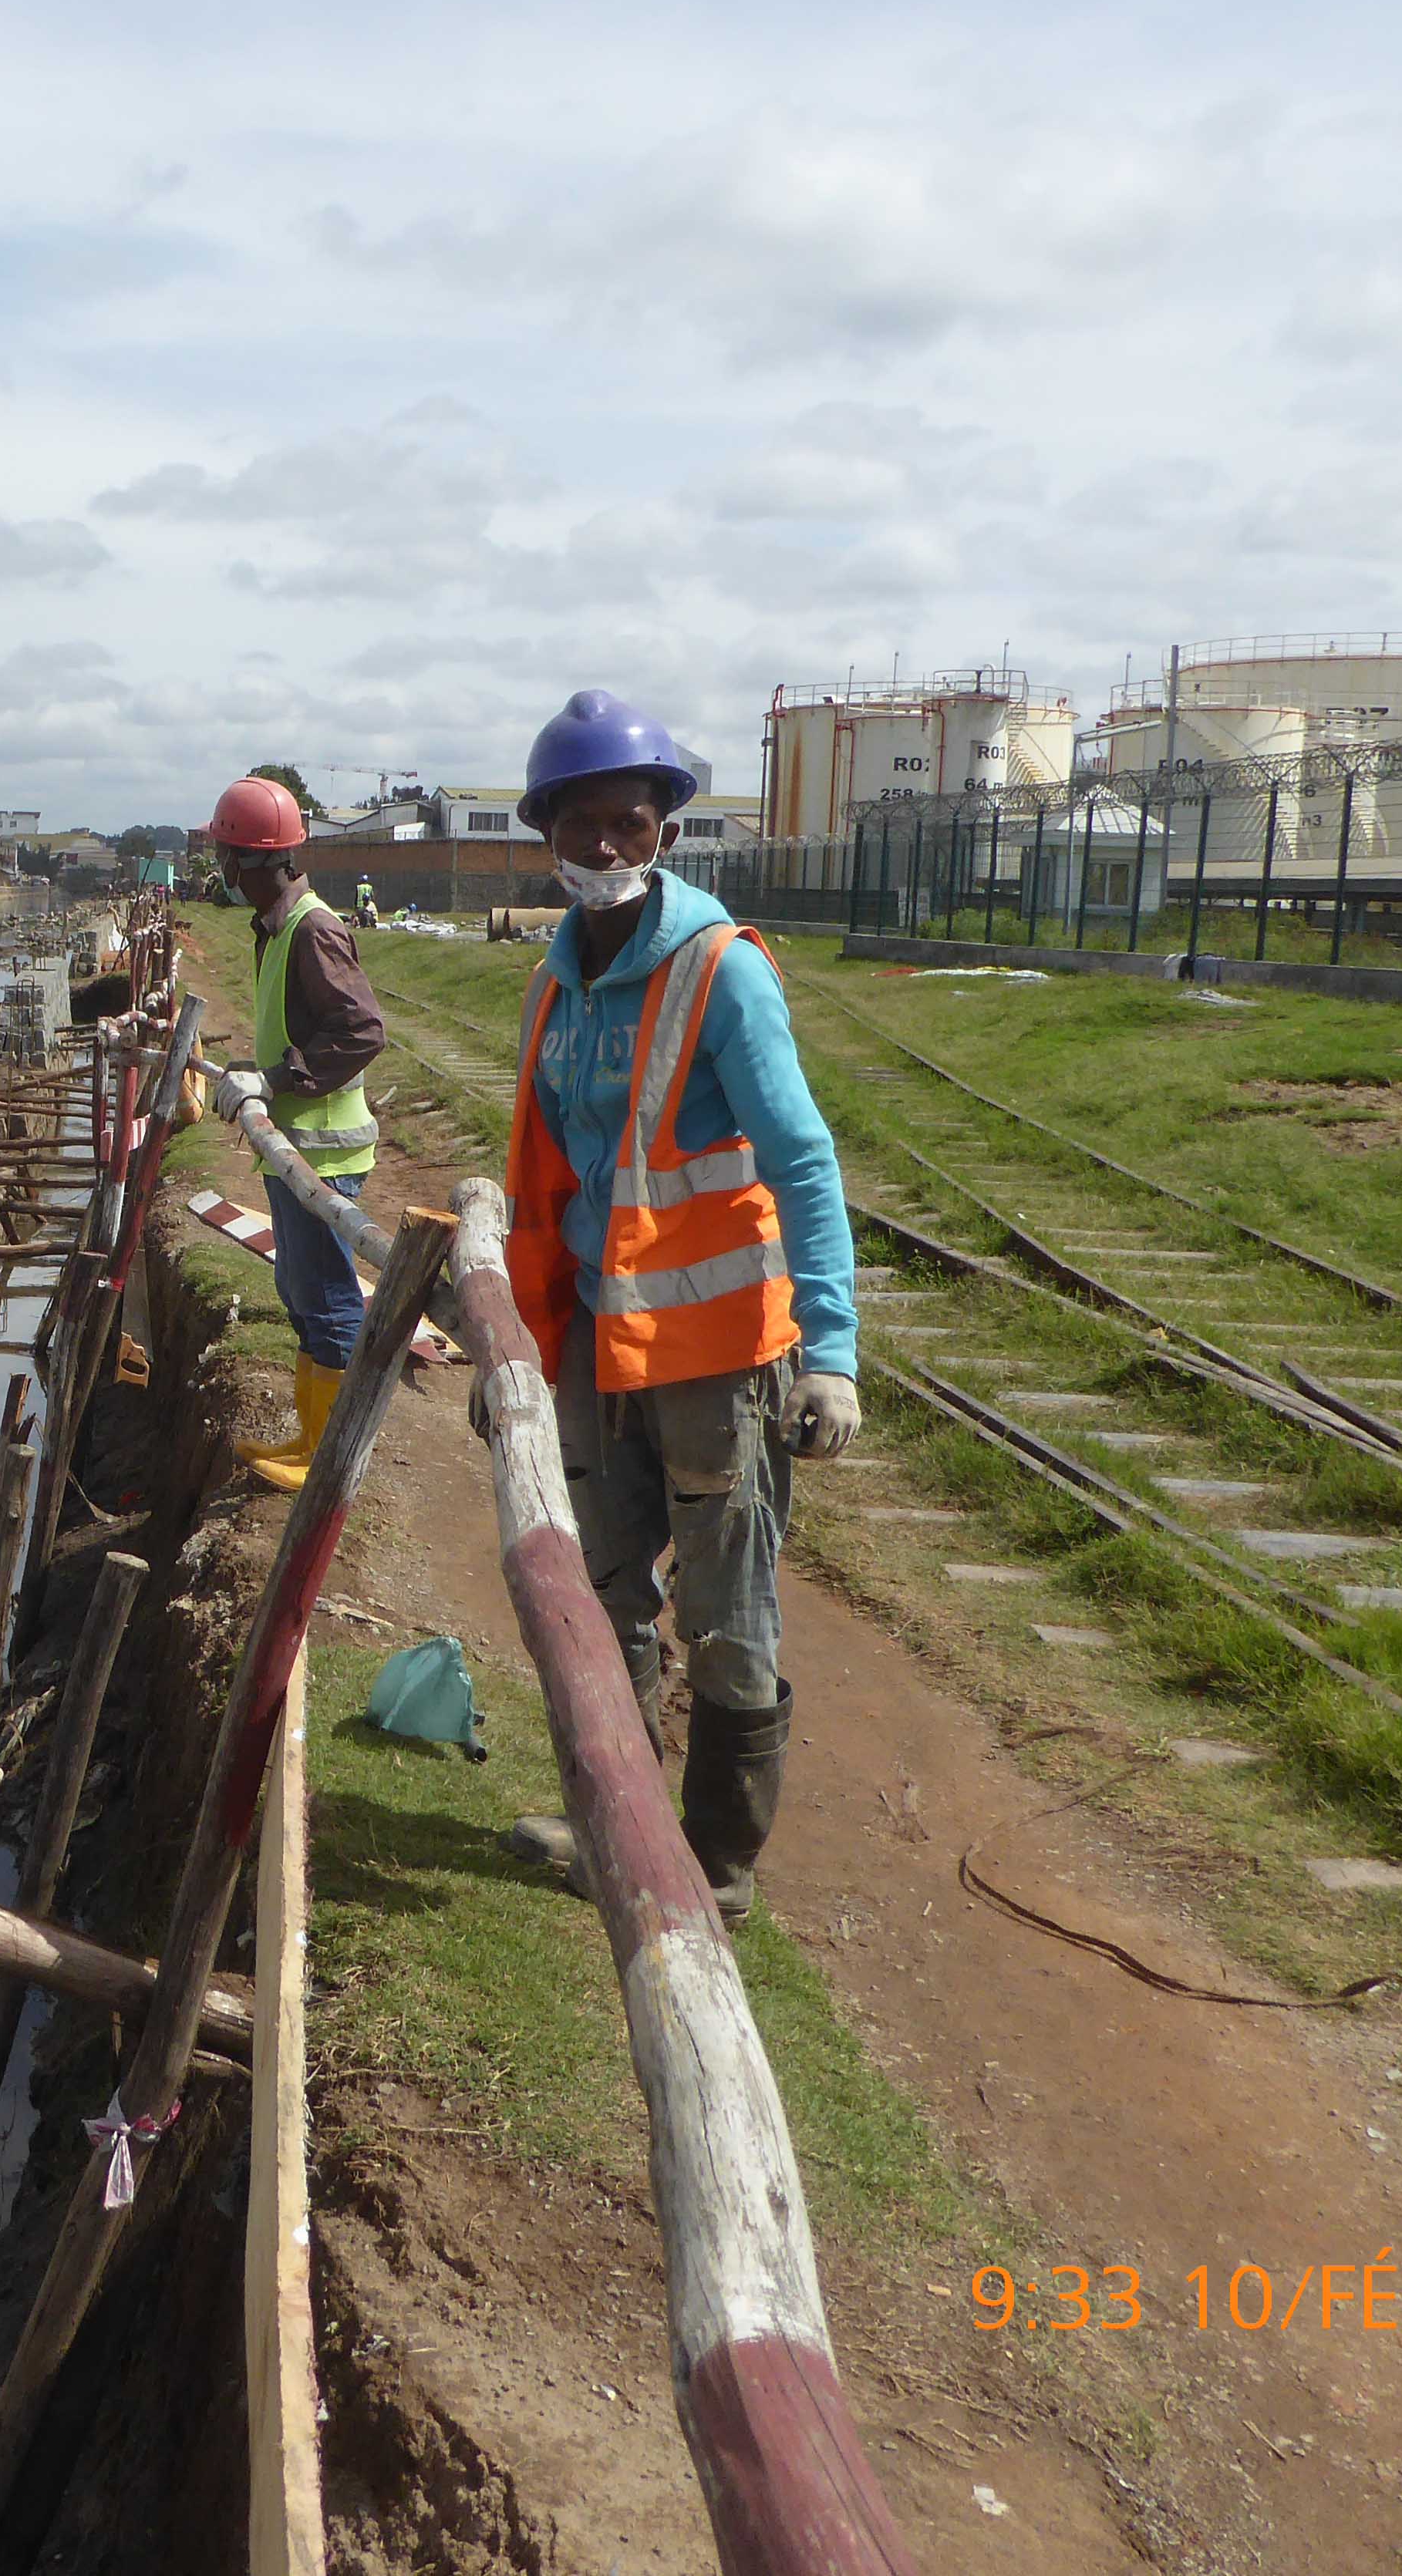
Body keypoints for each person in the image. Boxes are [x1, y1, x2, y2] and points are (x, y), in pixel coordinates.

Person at [500, 691, 857, 1924]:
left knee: (724, 1611)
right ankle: (618, 1823)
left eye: (633, 824)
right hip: (600, 1338)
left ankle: (716, 1864)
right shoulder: (557, 986)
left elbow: (802, 1160)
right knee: (604, 1597)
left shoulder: (720, 970)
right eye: (585, 825)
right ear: (545, 831)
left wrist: (835, 1354)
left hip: (712, 1356)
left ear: (665, 831)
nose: (609, 849)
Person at [206, 772, 386, 1492]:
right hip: (294, 1152)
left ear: (258, 863)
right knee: (301, 1290)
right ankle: (311, 1435)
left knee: (331, 1297)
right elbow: (300, 1030)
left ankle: (330, 1458)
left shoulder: (313, 930)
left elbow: (362, 1029)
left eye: (227, 858)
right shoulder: (276, 929)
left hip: (323, 1156)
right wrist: (252, 1073)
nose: (220, 873)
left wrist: (273, 1083)